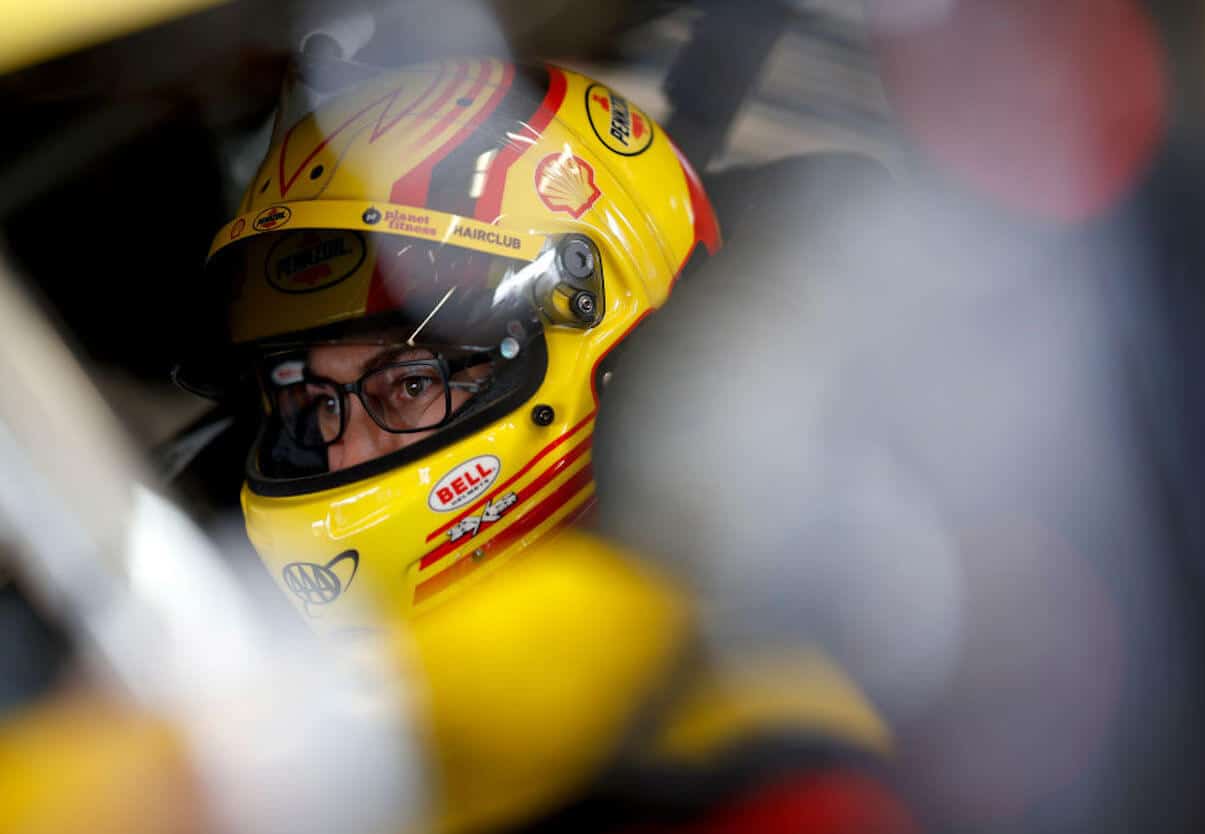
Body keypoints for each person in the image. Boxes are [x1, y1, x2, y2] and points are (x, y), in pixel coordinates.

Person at [174, 55, 916, 834]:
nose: (344, 453)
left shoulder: (763, 736)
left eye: (412, 383)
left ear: (609, 346)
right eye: (310, 401)